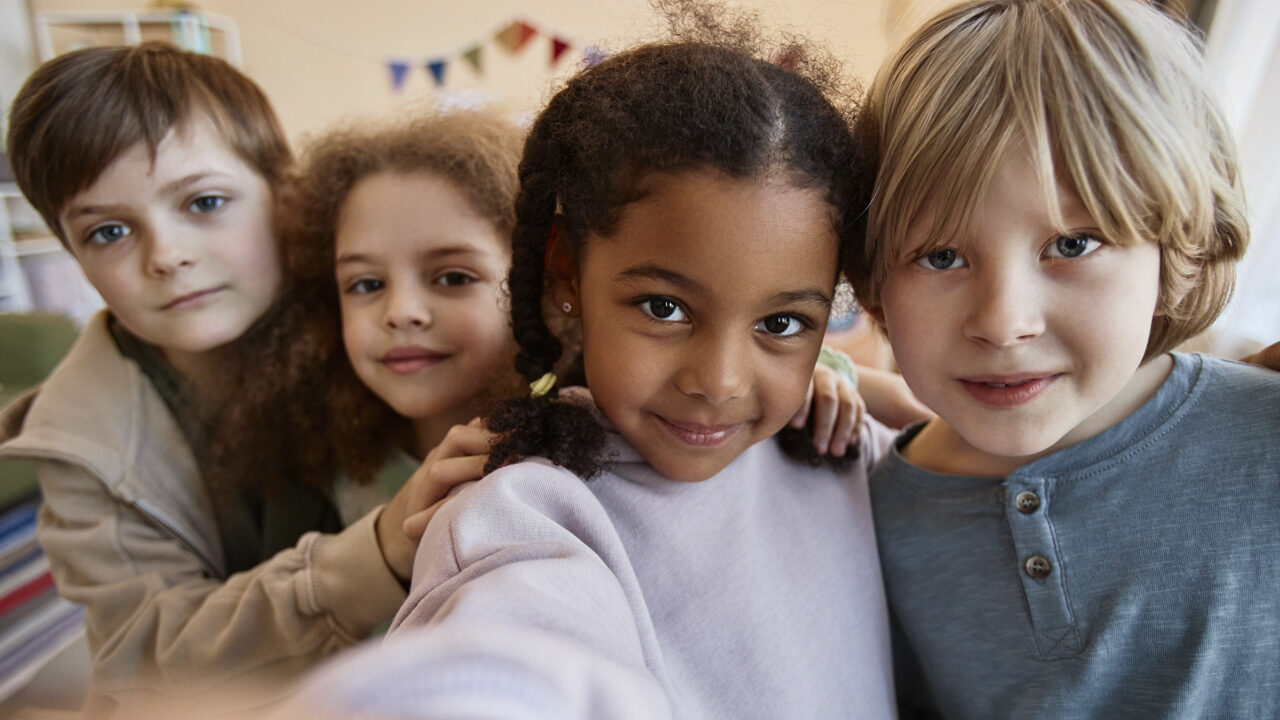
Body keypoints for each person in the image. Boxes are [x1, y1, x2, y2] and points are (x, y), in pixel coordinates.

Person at [375, 35, 898, 719]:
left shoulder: (840, 453)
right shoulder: (520, 515)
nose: (720, 381)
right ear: (567, 274)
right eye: (665, 308)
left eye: (781, 324)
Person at [844, 1, 1280, 717]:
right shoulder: (870, 514)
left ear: (1177, 253)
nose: (1003, 322)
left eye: (1073, 244)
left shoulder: (1265, 440)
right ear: (875, 284)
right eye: (942, 256)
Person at [0, 43, 462, 712]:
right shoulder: (76, 444)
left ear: (290, 199)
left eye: (205, 202)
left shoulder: (381, 326)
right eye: (107, 233)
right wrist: (378, 554)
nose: (166, 256)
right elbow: (147, 662)